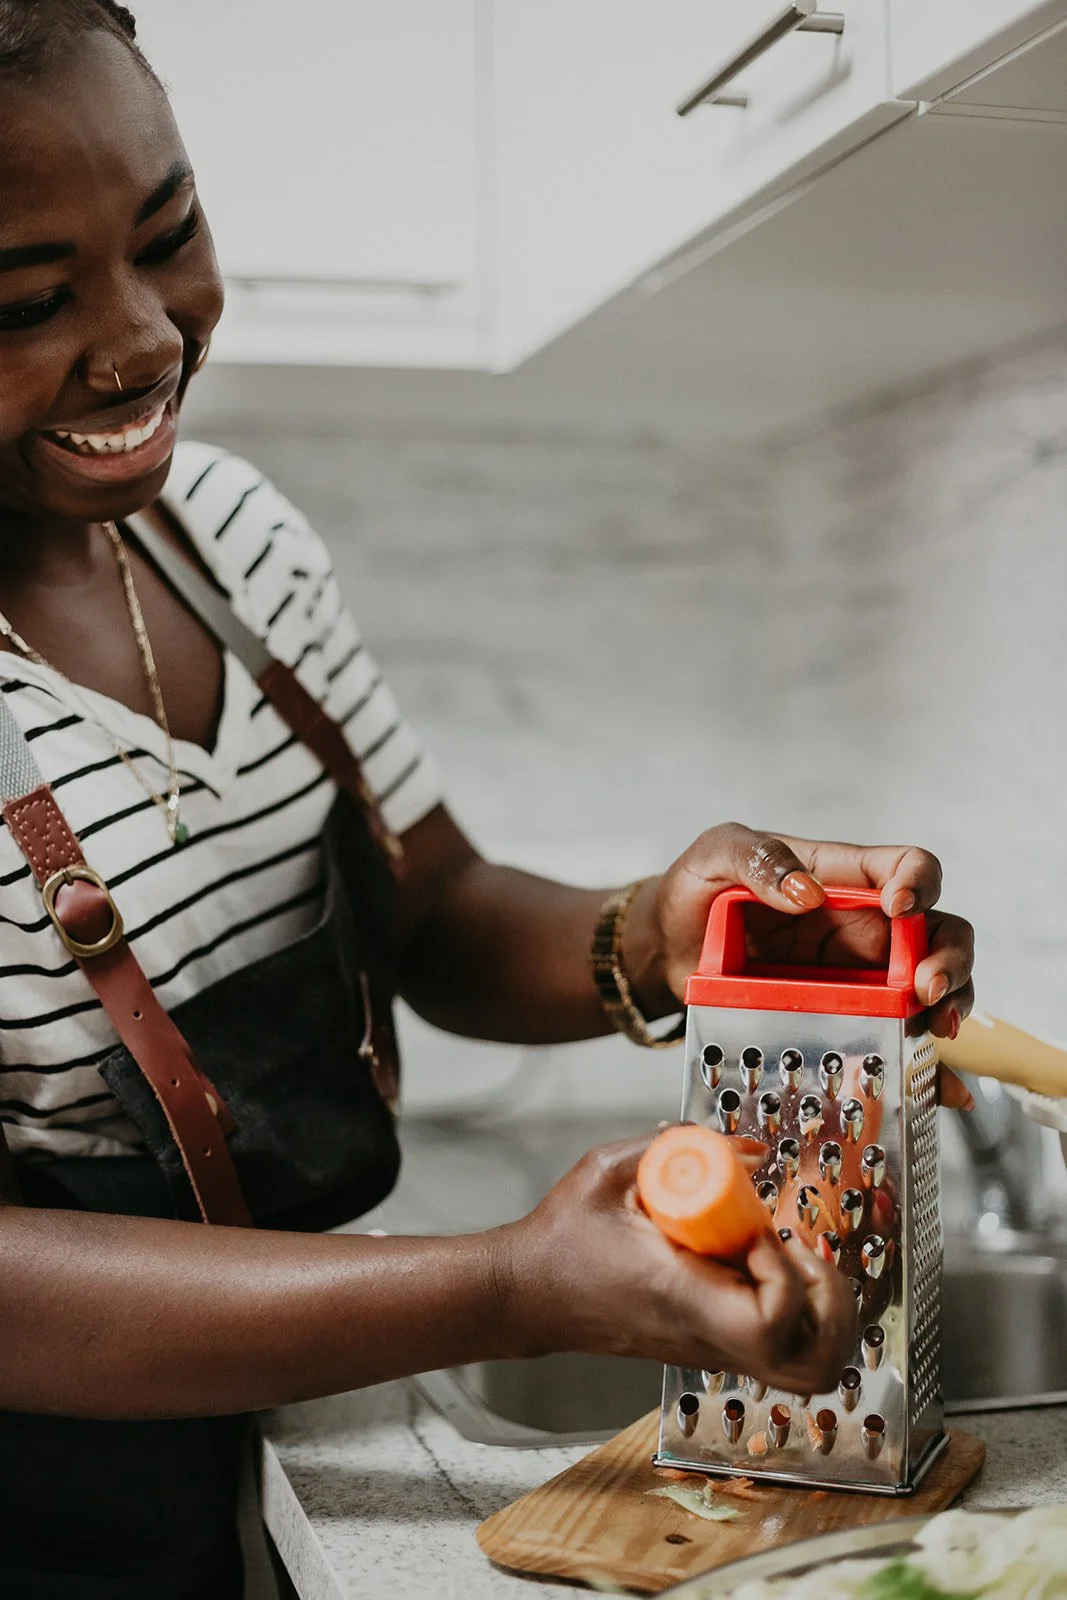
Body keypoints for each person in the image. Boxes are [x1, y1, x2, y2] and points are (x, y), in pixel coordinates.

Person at [0, 4, 976, 1597]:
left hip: (282, 1412)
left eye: (168, 231)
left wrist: (656, 933)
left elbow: (434, 912)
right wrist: (518, 1283)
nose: (144, 339)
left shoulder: (221, 527)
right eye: (31, 301)